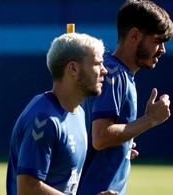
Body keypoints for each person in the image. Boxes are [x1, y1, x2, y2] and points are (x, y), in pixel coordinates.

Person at [77, 0, 173, 195]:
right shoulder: (114, 74)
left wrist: (122, 145)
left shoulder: (115, 73)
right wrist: (151, 120)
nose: (162, 49)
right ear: (135, 35)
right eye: (157, 41)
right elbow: (101, 137)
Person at [6, 32, 109, 195]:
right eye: (97, 64)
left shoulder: (79, 113)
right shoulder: (43, 119)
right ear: (73, 68)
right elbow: (28, 188)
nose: (104, 71)